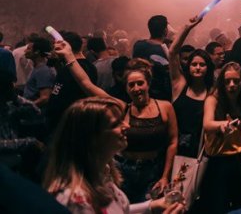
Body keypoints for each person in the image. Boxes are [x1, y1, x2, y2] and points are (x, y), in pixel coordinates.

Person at [43, 96, 183, 214]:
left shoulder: (101, 174)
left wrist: (151, 206)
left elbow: (119, 210)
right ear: (92, 138)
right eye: (116, 124)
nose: (127, 126)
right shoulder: (74, 199)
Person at [199, 62, 241, 214]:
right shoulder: (213, 100)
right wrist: (222, 125)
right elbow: (207, 124)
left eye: (236, 81)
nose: (232, 85)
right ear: (221, 83)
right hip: (219, 163)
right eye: (227, 81)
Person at [116, 60, 178, 203]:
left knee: (150, 208)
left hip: (153, 171)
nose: (136, 88)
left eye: (140, 83)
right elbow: (88, 86)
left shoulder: (165, 107)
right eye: (131, 85)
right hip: (124, 171)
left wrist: (165, 176)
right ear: (126, 88)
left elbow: (173, 142)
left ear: (148, 84)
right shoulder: (123, 109)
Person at [169, 16, 214, 158]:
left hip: (201, 153)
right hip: (176, 149)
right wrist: (187, 28)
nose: (198, 67)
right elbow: (172, 53)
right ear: (188, 67)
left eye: (202, 64)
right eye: (194, 64)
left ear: (208, 68)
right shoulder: (180, 85)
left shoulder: (212, 92)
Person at [132, 15, 171, 100]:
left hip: (139, 91)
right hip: (160, 95)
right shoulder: (165, 50)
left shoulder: (138, 45)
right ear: (165, 30)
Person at [22, 38, 56, 108]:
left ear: (37, 52)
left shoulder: (43, 70)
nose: (25, 51)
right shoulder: (38, 68)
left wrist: (25, 108)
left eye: (28, 49)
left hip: (36, 112)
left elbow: (45, 98)